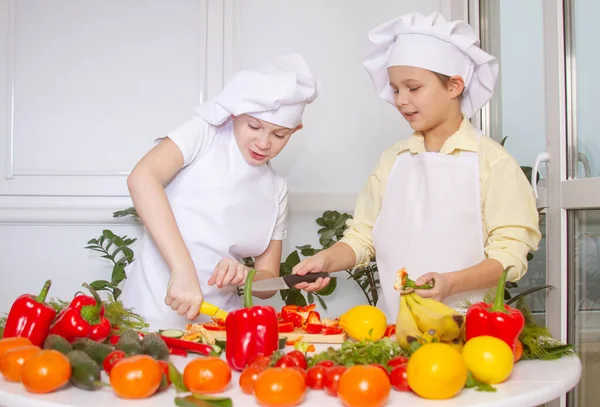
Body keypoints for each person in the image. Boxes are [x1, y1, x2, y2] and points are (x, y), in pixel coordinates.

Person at [291, 12, 542, 320]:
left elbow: (509, 257)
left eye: (413, 87)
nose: (400, 100)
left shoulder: (494, 163)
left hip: (469, 332)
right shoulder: (392, 160)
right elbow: (363, 236)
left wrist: (449, 283)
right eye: (396, 89)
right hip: (393, 331)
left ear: (454, 86)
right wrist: (326, 260)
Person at [120, 53, 319, 330]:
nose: (263, 143)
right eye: (254, 126)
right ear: (235, 114)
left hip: (217, 328)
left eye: (279, 135)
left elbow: (268, 281)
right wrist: (183, 270)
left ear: (295, 130)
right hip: (151, 314)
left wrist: (246, 276)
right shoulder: (205, 133)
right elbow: (142, 178)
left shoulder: (277, 189)